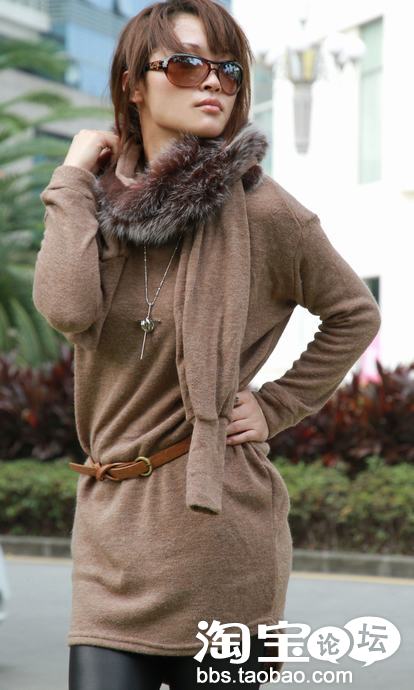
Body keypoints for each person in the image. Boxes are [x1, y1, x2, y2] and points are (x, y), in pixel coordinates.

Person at [32, 1, 382, 689]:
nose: (214, 81)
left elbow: (354, 314)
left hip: (220, 542)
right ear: (133, 84)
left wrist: (276, 405)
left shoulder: (266, 210)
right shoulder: (91, 205)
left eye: (228, 69)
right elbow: (67, 309)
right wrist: (71, 176)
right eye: (188, 65)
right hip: (109, 541)